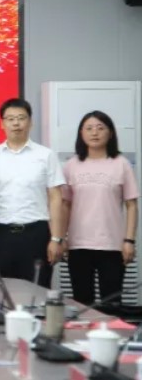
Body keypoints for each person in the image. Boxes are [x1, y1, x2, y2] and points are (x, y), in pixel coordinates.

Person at [0, 99, 65, 288]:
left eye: (21, 118)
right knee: (0, 292)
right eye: (10, 119)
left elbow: (55, 198)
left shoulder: (46, 155)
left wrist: (56, 238)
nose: (16, 123)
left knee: (37, 291)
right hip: (1, 235)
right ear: (2, 123)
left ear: (30, 122)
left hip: (36, 234)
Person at [62, 111, 139, 305]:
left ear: (110, 133)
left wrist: (129, 240)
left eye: (100, 128)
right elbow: (65, 205)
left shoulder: (121, 164)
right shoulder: (71, 165)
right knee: (82, 302)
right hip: (78, 245)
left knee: (112, 303)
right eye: (88, 128)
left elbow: (131, 205)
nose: (94, 133)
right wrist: (61, 238)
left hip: (112, 245)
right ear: (81, 133)